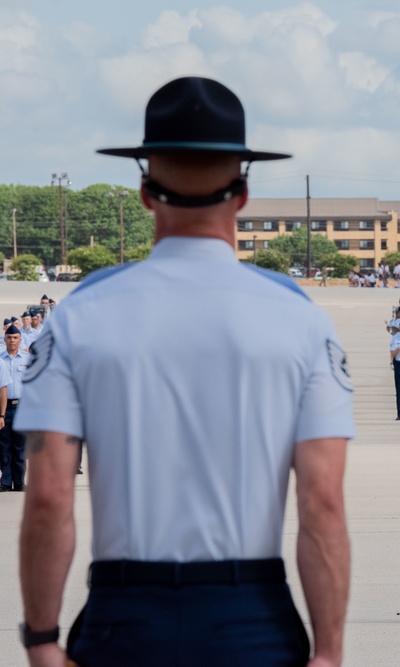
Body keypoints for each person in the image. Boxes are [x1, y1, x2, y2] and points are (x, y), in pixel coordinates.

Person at [17, 76, 354, 666]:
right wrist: (327, 652)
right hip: (251, 616)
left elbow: (47, 497)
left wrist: (42, 642)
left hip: (126, 618)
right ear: (243, 193)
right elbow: (322, 501)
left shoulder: (80, 317)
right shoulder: (301, 322)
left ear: (146, 191)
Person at [0, 326, 28, 492]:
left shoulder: (28, 358)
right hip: (3, 407)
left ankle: (19, 482)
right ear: (4, 340)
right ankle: (5, 481)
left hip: (22, 407)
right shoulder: (0, 359)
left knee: (20, 446)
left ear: (20, 339)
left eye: (15, 338)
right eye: (9, 337)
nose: (12, 341)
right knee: (3, 446)